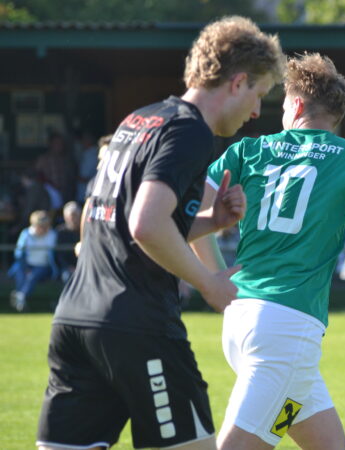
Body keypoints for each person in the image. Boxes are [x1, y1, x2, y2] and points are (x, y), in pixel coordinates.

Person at [36, 16, 284, 450]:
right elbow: (145, 224)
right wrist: (208, 282)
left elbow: (115, 219)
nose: (256, 112)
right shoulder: (191, 131)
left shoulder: (140, 119)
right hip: (139, 324)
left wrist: (210, 222)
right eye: (259, 94)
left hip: (76, 318)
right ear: (238, 82)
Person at [193, 53, 345, 450]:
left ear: (295, 105)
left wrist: (217, 279)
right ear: (336, 115)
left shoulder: (247, 150)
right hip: (288, 331)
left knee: (328, 444)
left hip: (242, 320)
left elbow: (196, 219)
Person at [7, 210, 58, 312]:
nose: (44, 229)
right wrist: (25, 267)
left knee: (32, 276)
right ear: (35, 225)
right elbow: (18, 253)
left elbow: (54, 256)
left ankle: (20, 296)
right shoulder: (26, 234)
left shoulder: (52, 235)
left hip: (44, 267)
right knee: (20, 274)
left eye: (46, 226)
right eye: (41, 226)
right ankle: (21, 300)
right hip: (26, 265)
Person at [35, 131, 77, 203]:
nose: (59, 146)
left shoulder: (66, 159)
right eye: (56, 143)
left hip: (65, 193)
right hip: (50, 194)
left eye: (61, 143)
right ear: (51, 144)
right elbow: (37, 175)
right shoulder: (43, 159)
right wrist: (50, 185)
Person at [54, 201, 81, 283]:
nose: (72, 219)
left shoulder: (85, 230)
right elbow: (59, 254)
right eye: (70, 217)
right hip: (67, 267)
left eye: (75, 216)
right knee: (67, 276)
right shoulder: (60, 231)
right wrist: (68, 266)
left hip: (83, 265)